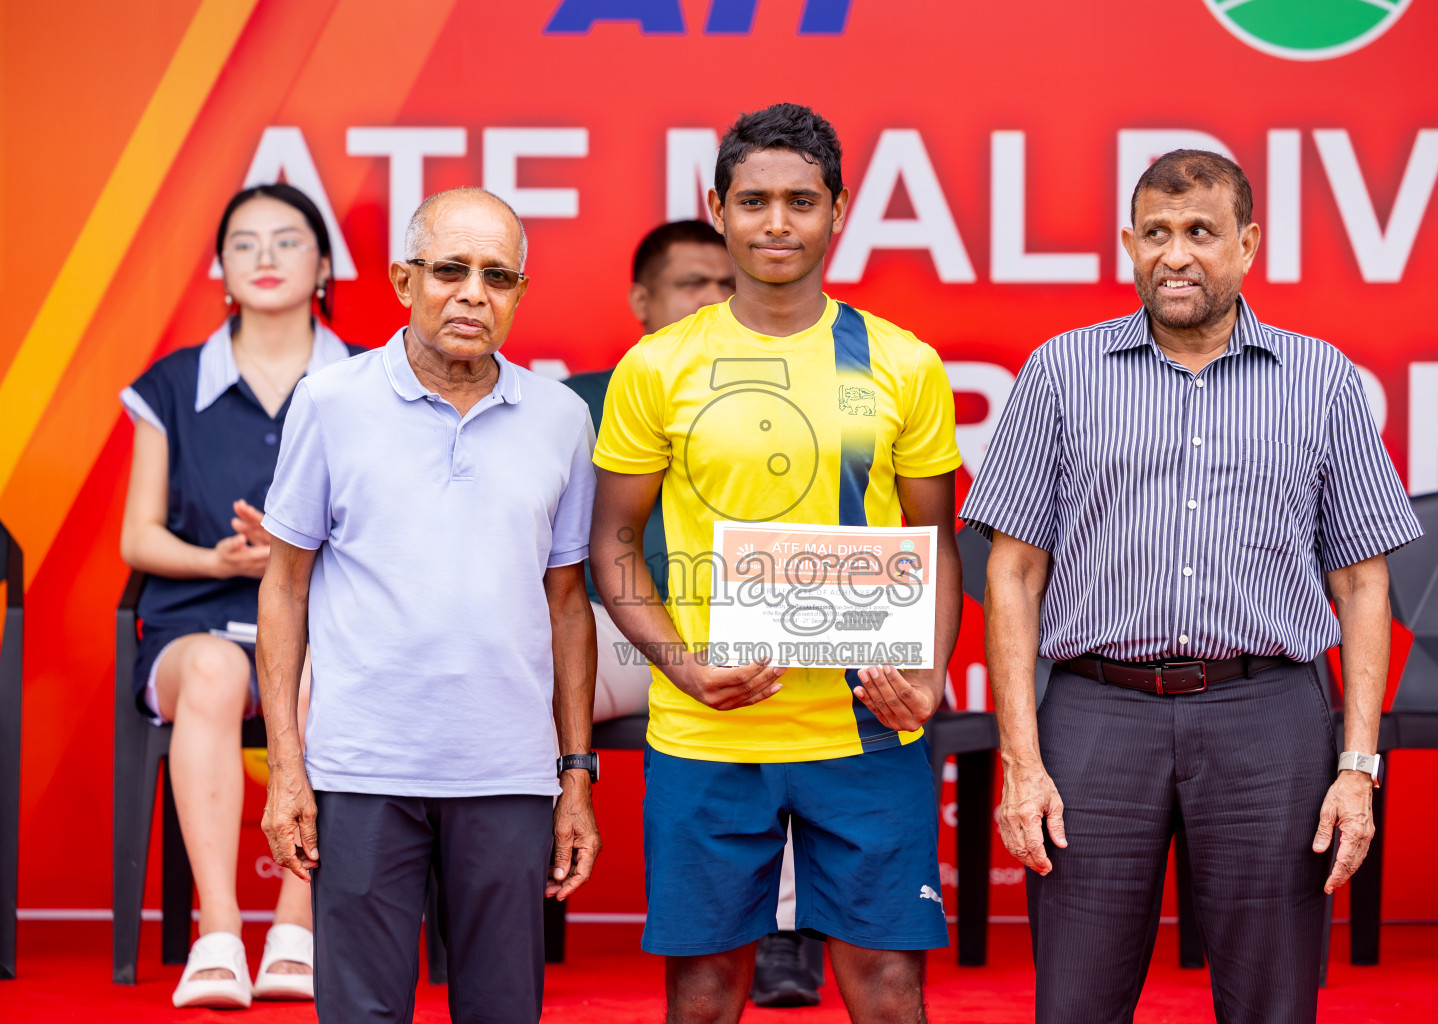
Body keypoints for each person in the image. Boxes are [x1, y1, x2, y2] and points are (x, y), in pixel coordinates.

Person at [960, 150, 1423, 1024]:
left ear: (1247, 245)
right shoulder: (1060, 373)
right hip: (1097, 719)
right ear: (1128, 243)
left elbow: (1363, 584)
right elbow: (1012, 572)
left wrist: (1357, 769)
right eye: (1156, 234)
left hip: (1269, 718)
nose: (1176, 255)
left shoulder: (1318, 380)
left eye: (1201, 233)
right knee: (1077, 1003)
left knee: (1273, 1002)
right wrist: (1022, 763)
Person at [591, 103, 963, 1024]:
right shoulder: (656, 366)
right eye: (754, 201)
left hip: (866, 729)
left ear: (838, 210)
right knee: (707, 994)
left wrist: (925, 670)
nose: (777, 224)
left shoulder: (904, 363)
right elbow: (610, 546)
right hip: (707, 734)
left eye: (802, 201)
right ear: (718, 208)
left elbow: (935, 544)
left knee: (886, 990)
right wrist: (682, 666)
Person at [256, 186, 600, 1024]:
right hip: (362, 768)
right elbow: (285, 583)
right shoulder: (331, 402)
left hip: (509, 775)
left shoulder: (559, 418)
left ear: (520, 295)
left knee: (501, 1009)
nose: (473, 293)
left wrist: (576, 776)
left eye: (498, 276)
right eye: (450, 269)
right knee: (361, 1012)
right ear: (404, 281)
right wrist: (287, 765)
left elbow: (568, 604)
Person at [566, 220, 824, 1007]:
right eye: (692, 284)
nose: (713, 298)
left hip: (742, 627)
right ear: (642, 300)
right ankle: (495, 894)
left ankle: (780, 934)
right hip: (614, 634)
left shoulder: (783, 390)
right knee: (510, 671)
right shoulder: (580, 400)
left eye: (724, 282)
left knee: (785, 676)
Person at [119, 183, 360, 1010]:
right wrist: (219, 558)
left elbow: (394, 535)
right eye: (245, 242)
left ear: (324, 265)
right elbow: (137, 538)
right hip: (194, 630)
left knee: (340, 677)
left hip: (322, 629)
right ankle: (218, 935)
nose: (264, 256)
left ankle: (298, 926)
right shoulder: (171, 382)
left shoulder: (367, 380)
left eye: (287, 240)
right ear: (220, 266)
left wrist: (293, 557)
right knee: (220, 674)